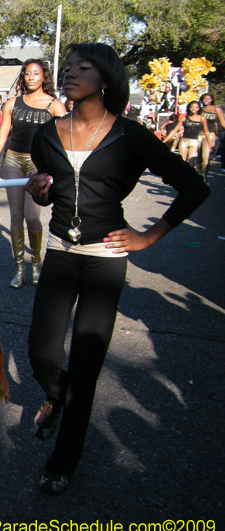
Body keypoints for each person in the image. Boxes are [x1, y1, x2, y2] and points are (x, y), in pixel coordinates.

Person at [24, 43, 209, 495]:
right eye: (66, 68)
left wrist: (149, 236)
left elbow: (192, 186)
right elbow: (49, 194)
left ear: (105, 79)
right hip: (61, 254)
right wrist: (39, 191)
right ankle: (55, 395)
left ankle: (62, 463)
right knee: (42, 353)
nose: (69, 74)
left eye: (81, 68)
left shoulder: (130, 135)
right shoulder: (47, 135)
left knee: (86, 365)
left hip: (107, 258)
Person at [0, 60, 66, 287]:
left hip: (39, 164)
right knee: (16, 216)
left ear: (44, 76)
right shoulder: (12, 104)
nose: (31, 77)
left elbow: (64, 141)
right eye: (27, 73)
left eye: (36, 73)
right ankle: (18, 268)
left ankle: (36, 262)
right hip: (13, 159)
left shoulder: (55, 106)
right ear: (23, 77)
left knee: (32, 217)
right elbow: (1, 137)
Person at [166, 101, 210, 175]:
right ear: (189, 108)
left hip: (194, 142)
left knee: (191, 163)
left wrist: (209, 144)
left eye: (196, 107)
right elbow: (174, 130)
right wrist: (166, 140)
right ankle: (183, 178)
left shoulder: (202, 119)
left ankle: (190, 179)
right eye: (191, 107)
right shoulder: (184, 119)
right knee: (182, 162)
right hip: (184, 141)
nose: (193, 109)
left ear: (199, 108)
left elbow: (206, 132)